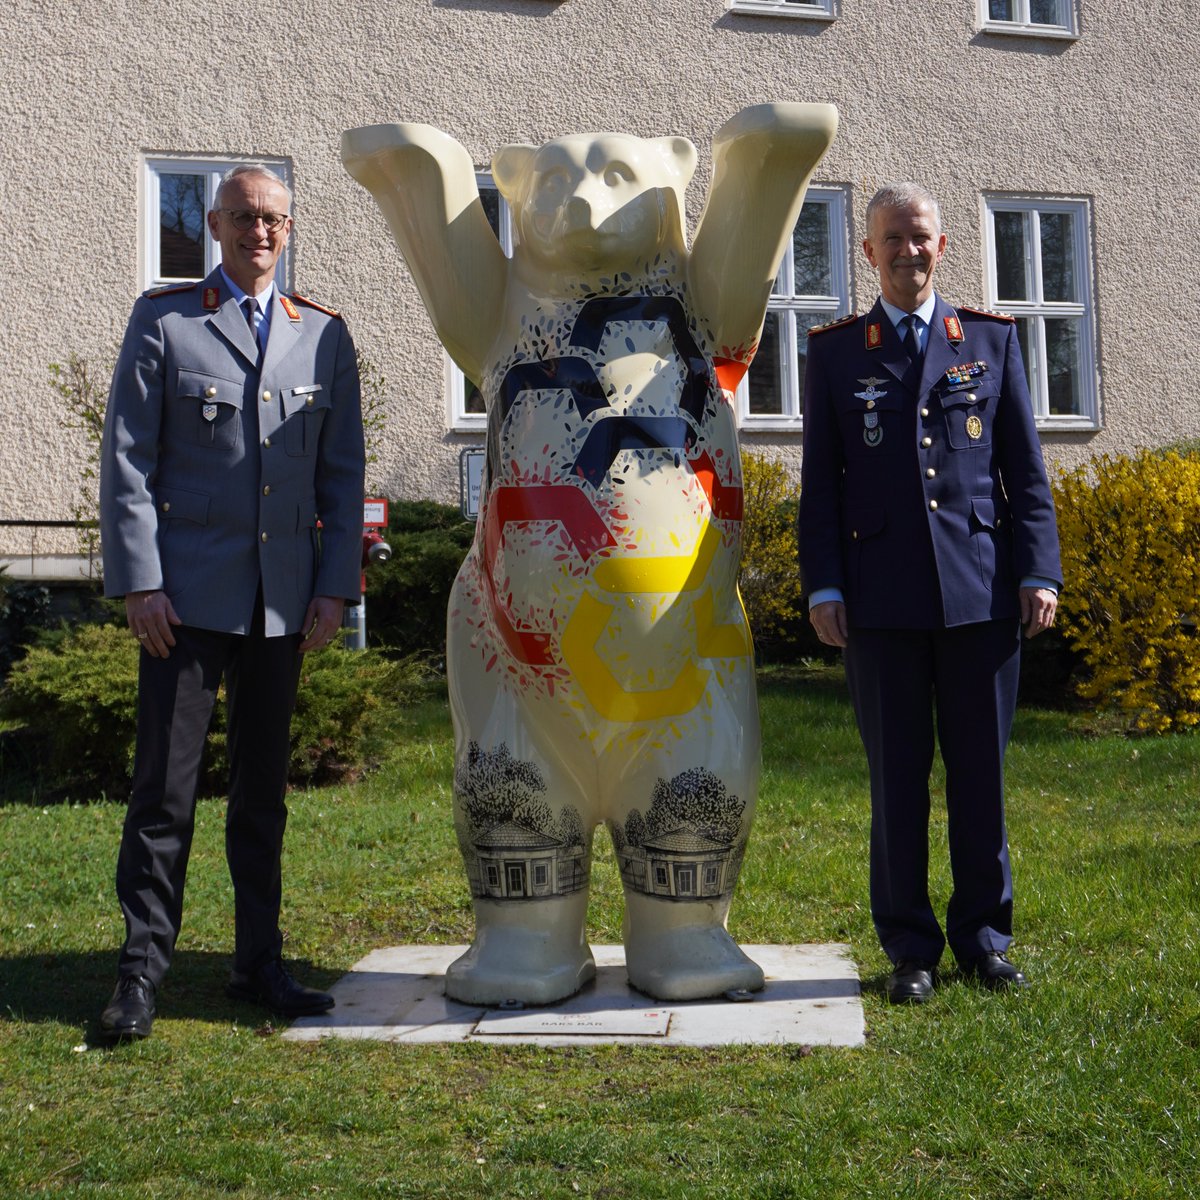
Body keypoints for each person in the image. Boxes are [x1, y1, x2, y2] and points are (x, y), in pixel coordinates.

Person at [97, 164, 365, 1039]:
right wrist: (139, 580)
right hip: (186, 601)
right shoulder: (167, 321)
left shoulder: (322, 335)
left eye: (275, 220)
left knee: (262, 797)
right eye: (245, 216)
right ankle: (141, 974)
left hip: (281, 605)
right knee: (164, 796)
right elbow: (129, 460)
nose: (260, 232)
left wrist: (334, 587)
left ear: (290, 232)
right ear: (215, 224)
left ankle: (259, 963)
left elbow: (340, 473)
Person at [797, 182, 1061, 1004]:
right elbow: (822, 488)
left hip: (982, 600)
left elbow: (1024, 469)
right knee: (898, 783)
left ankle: (985, 941)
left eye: (920, 238)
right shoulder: (838, 351)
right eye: (892, 239)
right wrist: (824, 586)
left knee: (979, 777)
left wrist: (1038, 569)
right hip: (880, 605)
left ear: (940, 247)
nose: (908, 251)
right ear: (867, 251)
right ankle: (911, 949)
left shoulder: (988, 340)